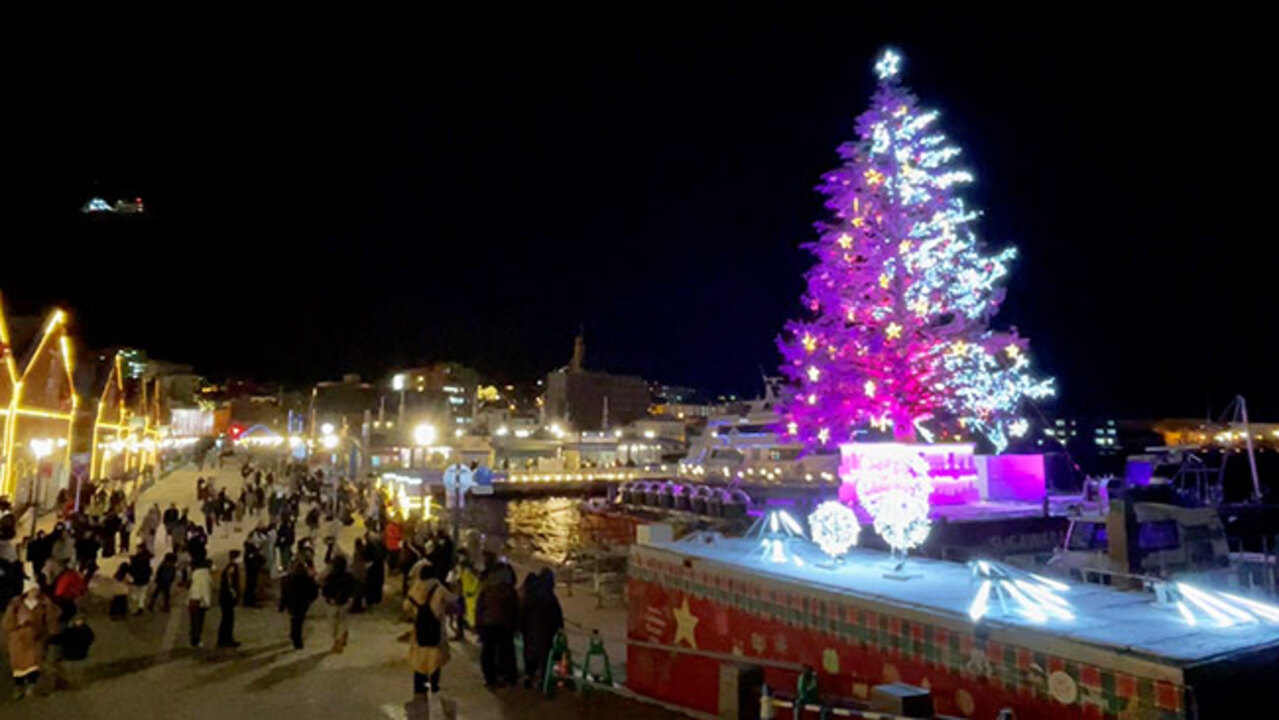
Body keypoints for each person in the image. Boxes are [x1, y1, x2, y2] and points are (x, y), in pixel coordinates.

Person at [3, 578, 59, 700]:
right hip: (19, 640)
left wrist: (52, 632)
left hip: (36, 639)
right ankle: (18, 686)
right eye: (32, 590)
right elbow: (7, 623)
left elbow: (51, 619)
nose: (35, 592)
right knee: (19, 666)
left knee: (35, 663)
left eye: (36, 590)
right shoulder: (16, 605)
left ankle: (31, 685)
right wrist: (19, 623)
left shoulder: (44, 604)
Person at [405, 564, 456, 697]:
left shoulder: (415, 588)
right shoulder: (439, 589)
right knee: (434, 657)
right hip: (435, 628)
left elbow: (406, 607)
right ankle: (434, 684)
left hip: (420, 628)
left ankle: (419, 684)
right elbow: (453, 601)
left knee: (419, 657)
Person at [475, 560, 519, 687]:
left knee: (488, 651)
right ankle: (508, 677)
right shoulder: (508, 591)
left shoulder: (487, 589)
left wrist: (478, 625)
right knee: (506, 651)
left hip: (487, 624)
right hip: (503, 625)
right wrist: (514, 625)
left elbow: (480, 608)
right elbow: (513, 609)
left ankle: (490, 678)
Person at [520, 569, 565, 688]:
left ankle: (529, 678)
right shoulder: (549, 596)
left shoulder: (530, 593)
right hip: (546, 630)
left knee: (530, 654)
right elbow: (556, 615)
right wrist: (559, 628)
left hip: (529, 629)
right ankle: (544, 681)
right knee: (545, 656)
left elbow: (522, 610)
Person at [279, 560, 317, 649]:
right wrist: (310, 600)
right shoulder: (307, 579)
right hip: (302, 603)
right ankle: (297, 640)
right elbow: (313, 592)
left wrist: (282, 605)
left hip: (291, 603)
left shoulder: (286, 579)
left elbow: (284, 594)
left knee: (294, 619)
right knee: (299, 621)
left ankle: (294, 635)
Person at [321, 555, 354, 652]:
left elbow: (325, 590)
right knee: (342, 622)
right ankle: (340, 638)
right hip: (343, 602)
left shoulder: (330, 577)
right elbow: (352, 589)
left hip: (333, 603)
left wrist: (329, 598)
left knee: (333, 624)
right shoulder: (348, 576)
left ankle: (337, 641)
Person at [56, 614, 94, 688]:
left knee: (78, 670)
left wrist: (85, 646)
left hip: (79, 654)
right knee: (69, 670)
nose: (78, 622)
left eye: (80, 620)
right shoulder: (68, 630)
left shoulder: (86, 630)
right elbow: (62, 638)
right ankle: (70, 682)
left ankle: (77, 683)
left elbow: (90, 639)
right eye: (77, 620)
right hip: (69, 654)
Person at [217, 550, 242, 648]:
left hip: (224, 597)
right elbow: (230, 579)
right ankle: (226, 639)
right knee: (228, 619)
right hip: (227, 597)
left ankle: (224, 639)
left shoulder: (230, 566)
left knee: (226, 619)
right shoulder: (232, 567)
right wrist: (233, 591)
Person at [188, 559, 213, 647]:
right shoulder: (204, 575)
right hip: (199, 601)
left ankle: (194, 637)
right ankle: (196, 639)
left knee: (194, 621)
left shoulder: (196, 573)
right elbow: (203, 589)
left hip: (193, 599)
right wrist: (206, 602)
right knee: (198, 621)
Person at [128, 544, 154, 614]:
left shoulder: (137, 559)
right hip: (145, 578)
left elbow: (132, 568)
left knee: (135, 593)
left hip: (137, 578)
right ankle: (140, 607)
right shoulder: (147, 558)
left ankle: (136, 607)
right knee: (142, 594)